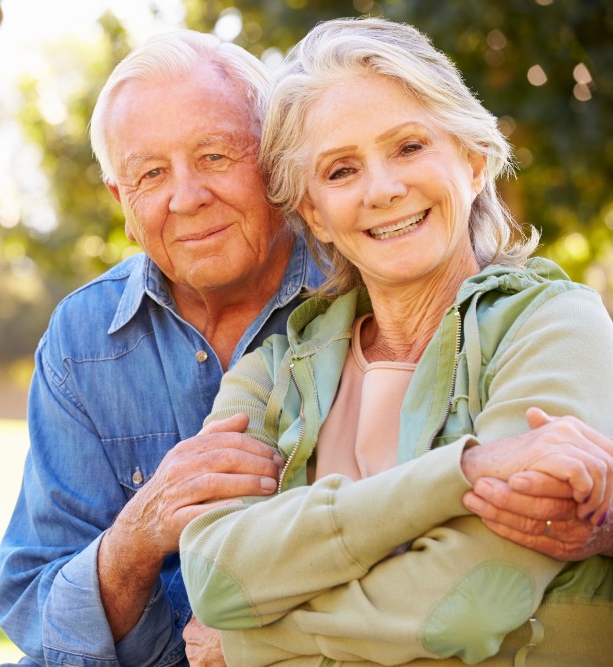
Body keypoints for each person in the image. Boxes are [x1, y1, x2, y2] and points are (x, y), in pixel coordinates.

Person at [179, 16, 613, 666]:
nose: (383, 189)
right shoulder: (275, 370)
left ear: (473, 159)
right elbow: (217, 577)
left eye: (409, 147)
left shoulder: (555, 327)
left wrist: (253, 640)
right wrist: (460, 473)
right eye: (341, 170)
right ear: (316, 215)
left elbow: (471, 604)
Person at [0, 29, 324, 667]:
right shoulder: (82, 337)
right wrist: (140, 533)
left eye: (215, 156)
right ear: (122, 202)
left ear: (274, 160)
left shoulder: (359, 292)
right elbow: (35, 607)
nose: (186, 196)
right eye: (150, 173)